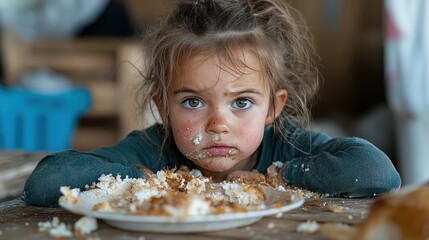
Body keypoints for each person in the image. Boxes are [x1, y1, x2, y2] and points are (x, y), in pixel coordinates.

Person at [23, 0, 401, 207]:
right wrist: (144, 181)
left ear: (273, 107)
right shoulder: (154, 152)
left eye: (241, 102)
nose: (218, 123)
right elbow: (47, 181)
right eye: (192, 102)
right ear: (163, 107)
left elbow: (379, 174)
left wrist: (282, 176)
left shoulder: (289, 147)